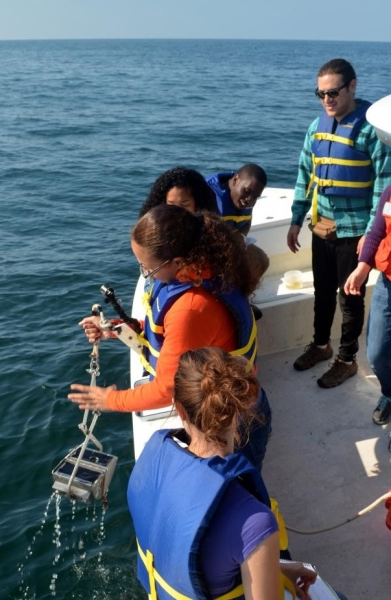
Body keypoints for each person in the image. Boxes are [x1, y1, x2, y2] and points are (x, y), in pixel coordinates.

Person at [127, 347, 346, 600]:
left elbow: (206, 563)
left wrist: (280, 567)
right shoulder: (253, 522)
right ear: (237, 409)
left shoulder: (151, 465)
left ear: (180, 409)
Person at [68, 204, 271, 471]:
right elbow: (167, 333)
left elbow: (167, 388)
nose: (145, 273)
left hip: (236, 424)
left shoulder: (189, 307)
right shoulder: (200, 268)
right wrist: (115, 328)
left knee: (241, 487)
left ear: (176, 262)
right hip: (228, 404)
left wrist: (110, 400)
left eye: (147, 268)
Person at [287, 58, 391, 388]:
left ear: (352, 86)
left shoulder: (372, 130)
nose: (327, 100)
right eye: (321, 94)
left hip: (355, 231)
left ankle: (346, 360)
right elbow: (306, 174)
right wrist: (295, 218)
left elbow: (382, 185)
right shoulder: (316, 126)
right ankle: (321, 345)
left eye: (333, 92)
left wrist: (370, 237)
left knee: (350, 297)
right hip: (322, 227)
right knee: (322, 292)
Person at [345, 94, 391, 425]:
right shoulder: (390, 190)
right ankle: (389, 391)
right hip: (388, 281)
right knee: (377, 351)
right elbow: (377, 231)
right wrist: (362, 266)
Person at [139, 166, 218, 217]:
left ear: (198, 204)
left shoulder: (210, 234)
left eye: (184, 205)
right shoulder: (152, 232)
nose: (176, 211)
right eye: (170, 205)